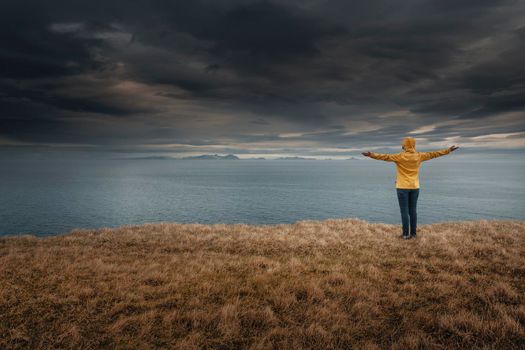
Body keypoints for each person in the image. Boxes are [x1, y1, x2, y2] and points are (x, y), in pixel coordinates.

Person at [362, 137, 459, 239]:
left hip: (402, 187)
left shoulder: (400, 156)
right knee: (413, 211)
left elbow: (385, 157)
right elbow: (434, 154)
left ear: (404, 145)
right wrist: (448, 150)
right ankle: (413, 234)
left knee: (404, 211)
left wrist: (371, 155)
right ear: (414, 145)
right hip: (415, 187)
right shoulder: (419, 156)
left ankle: (405, 234)